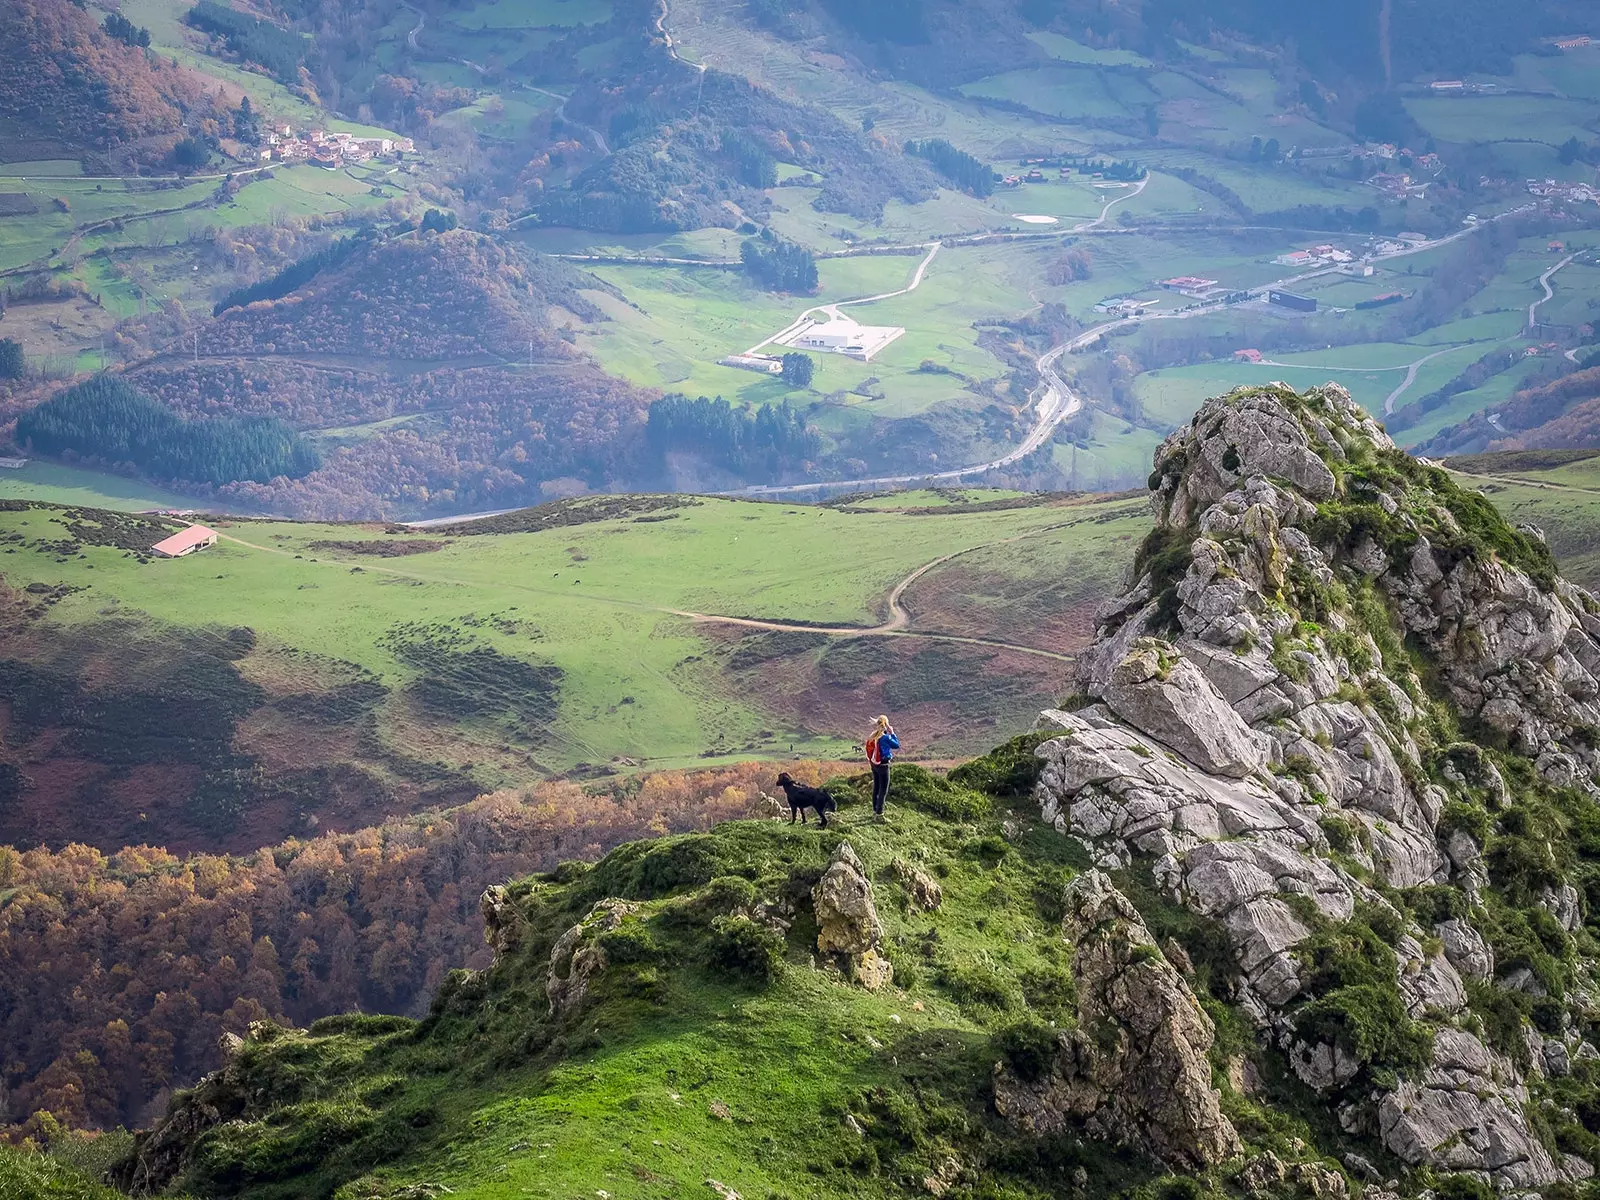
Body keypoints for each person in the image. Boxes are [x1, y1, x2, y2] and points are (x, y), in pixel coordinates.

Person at [865, 715, 899, 820]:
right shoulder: (885, 737)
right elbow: (896, 745)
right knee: (883, 789)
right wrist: (892, 732)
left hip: (874, 764)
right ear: (886, 724)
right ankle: (880, 814)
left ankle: (875, 810)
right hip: (884, 765)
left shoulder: (873, 736)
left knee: (876, 787)